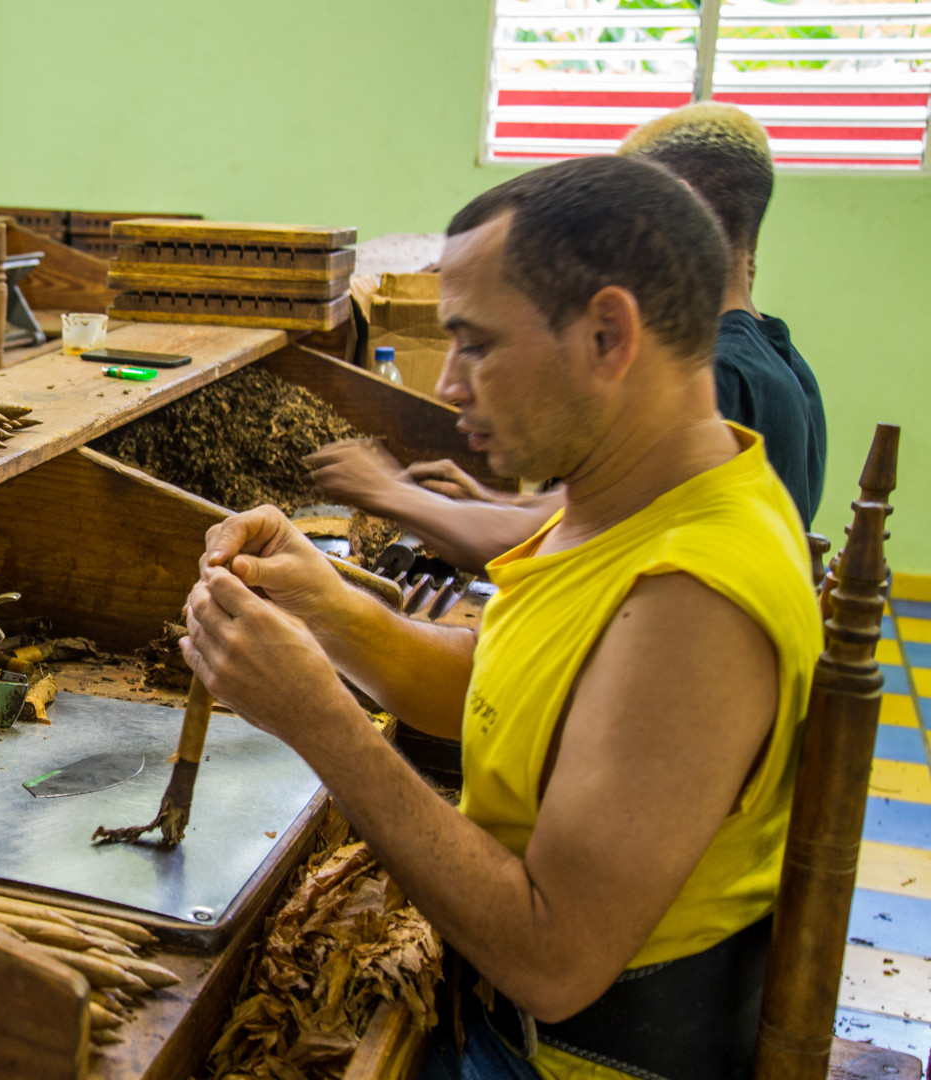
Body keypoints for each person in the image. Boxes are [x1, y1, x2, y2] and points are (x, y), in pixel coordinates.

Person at [182, 156, 820, 1079]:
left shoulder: (694, 599)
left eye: (476, 345)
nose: (449, 384)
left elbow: (550, 959)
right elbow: (516, 693)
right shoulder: (633, 500)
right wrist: (332, 608)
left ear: (607, 335)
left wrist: (317, 718)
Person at [312, 104, 827, 568]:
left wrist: (388, 491)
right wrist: (491, 501)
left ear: (677, 214)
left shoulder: (713, 377)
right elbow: (587, 510)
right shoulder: (778, 357)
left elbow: (587, 539)